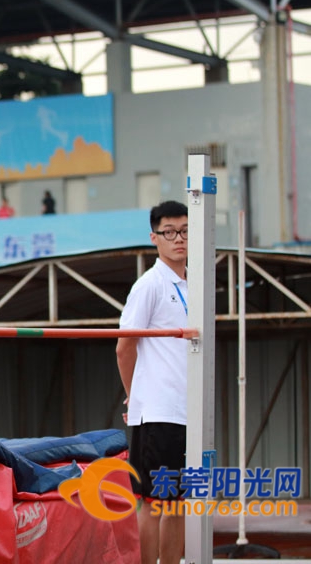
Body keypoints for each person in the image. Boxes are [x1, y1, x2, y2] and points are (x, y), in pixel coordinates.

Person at [116, 200, 188, 564]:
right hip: (158, 413)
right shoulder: (150, 286)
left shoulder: (195, 285)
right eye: (170, 232)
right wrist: (135, 397)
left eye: (185, 231)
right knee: (155, 502)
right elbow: (124, 347)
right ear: (154, 237)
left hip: (187, 411)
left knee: (177, 503)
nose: (179, 239)